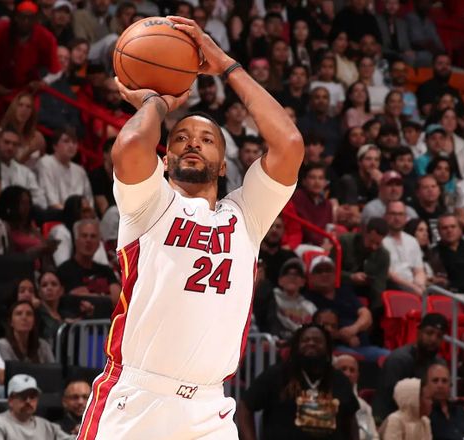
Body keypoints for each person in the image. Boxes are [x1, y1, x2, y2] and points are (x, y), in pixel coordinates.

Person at [77, 14, 304, 439]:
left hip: (208, 408)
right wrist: (157, 102)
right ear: (165, 160)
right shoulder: (149, 203)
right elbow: (131, 144)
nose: (193, 142)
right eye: (180, 138)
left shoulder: (246, 216)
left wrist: (228, 66)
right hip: (136, 399)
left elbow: (289, 144)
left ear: (224, 165)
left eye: (207, 139)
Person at [237, 324, 359, 440]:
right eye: (305, 340)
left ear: (327, 348)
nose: (311, 343)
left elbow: (351, 420)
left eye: (317, 341)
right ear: (296, 346)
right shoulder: (278, 375)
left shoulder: (339, 380)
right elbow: (244, 407)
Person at [305, 255, 388, 362]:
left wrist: (353, 329)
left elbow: (366, 314)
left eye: (328, 270)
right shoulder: (307, 299)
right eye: (319, 271)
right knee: (353, 359)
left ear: (335, 274)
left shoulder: (344, 291)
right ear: (311, 276)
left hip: (364, 347)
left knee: (390, 357)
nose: (324, 274)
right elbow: (314, 330)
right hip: (333, 349)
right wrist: (341, 336)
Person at [373, 313, 447, 422]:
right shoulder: (399, 360)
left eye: (439, 336)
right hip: (394, 419)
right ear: (419, 332)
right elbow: (387, 400)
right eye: (429, 333)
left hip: (427, 420)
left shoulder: (440, 364)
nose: (433, 339)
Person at [0, 0, 61, 99]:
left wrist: (43, 82)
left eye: (30, 18)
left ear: (36, 19)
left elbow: (56, 71)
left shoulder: (46, 37)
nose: (26, 21)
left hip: (29, 94)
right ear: (16, 17)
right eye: (22, 17)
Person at [0, 374, 73, 439]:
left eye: (32, 397)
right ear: (10, 400)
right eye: (23, 396)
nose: (28, 401)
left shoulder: (46, 426)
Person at [57, 219, 120, 304]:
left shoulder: (106, 271)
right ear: (76, 241)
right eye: (84, 236)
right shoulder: (63, 271)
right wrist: (105, 298)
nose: (88, 240)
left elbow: (117, 300)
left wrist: (90, 296)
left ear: (98, 243)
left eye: (93, 236)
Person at [338, 217, 391, 309]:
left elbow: (379, 286)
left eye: (378, 243)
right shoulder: (345, 241)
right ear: (365, 233)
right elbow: (331, 271)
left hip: (366, 290)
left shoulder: (383, 255)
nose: (374, 247)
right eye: (371, 241)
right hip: (342, 284)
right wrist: (351, 276)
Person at [36, 126, 93, 210]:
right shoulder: (45, 163)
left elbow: (89, 201)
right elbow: (51, 201)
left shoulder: (80, 171)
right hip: (55, 213)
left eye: (74, 142)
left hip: (79, 214)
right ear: (55, 146)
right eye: (66, 141)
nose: (71, 145)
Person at [0, 126, 46, 209]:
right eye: (6, 142)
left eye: (15, 144)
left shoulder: (25, 172)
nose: (10, 147)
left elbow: (41, 200)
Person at [266, 258, 316, 341]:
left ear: (303, 282)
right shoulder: (271, 299)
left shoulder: (310, 307)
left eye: (297, 274)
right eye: (287, 273)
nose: (292, 277)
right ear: (280, 281)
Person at [383, 200, 426, 294]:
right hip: (392, 289)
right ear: (385, 216)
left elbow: (419, 270)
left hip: (414, 288)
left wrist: (420, 285)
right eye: (393, 214)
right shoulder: (380, 240)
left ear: (406, 217)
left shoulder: (412, 241)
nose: (397, 218)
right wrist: (412, 287)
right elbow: (388, 274)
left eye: (400, 214)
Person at [424, 363, 464, 440]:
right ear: (426, 385)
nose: (440, 385)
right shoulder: (424, 415)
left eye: (444, 381)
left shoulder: (459, 410)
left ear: (450, 386)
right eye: (435, 381)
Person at [334, 354, 379, 440]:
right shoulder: (325, 400)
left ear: (357, 376)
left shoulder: (362, 407)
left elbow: (369, 435)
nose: (347, 374)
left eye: (352, 370)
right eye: (343, 369)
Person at [289, 162, 332, 246]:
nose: (317, 182)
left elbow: (329, 229)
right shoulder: (298, 197)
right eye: (312, 178)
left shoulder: (328, 204)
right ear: (304, 181)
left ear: (325, 182)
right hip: (300, 244)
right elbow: (306, 230)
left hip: (321, 245)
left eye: (320, 178)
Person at [1, 92, 47, 169]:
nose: (24, 110)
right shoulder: (3, 133)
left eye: (28, 107)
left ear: (32, 112)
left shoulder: (37, 136)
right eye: (20, 105)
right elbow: (8, 166)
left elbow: (43, 163)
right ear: (14, 108)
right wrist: (29, 152)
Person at [435, 214, 464, 292]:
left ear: (460, 229)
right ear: (438, 231)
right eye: (444, 228)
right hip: (450, 293)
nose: (449, 230)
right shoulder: (434, 253)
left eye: (453, 227)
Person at [296, 86, 342, 158]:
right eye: (317, 97)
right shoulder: (302, 123)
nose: (321, 101)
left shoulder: (335, 123)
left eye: (325, 97)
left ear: (329, 101)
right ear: (311, 101)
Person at [259, 216, 297, 285]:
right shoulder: (253, 254)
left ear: (284, 231)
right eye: (270, 226)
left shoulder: (290, 258)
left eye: (278, 227)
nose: (274, 230)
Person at [405, 0, 445, 67]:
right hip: (416, 53)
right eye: (423, 2)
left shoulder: (429, 22)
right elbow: (418, 42)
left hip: (431, 53)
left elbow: (439, 44)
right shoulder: (410, 17)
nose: (426, 5)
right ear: (416, 3)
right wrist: (437, 51)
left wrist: (441, 53)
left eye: (429, 3)